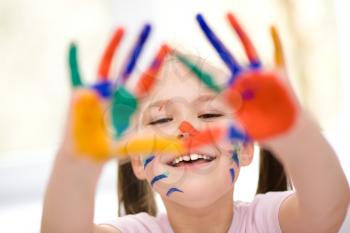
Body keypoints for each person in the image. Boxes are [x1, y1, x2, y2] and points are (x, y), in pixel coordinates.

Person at [41, 13, 349, 233]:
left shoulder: (270, 222)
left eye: (210, 114)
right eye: (161, 118)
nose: (187, 130)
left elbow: (329, 207)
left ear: (245, 147)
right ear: (137, 161)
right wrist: (76, 161)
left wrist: (293, 132)